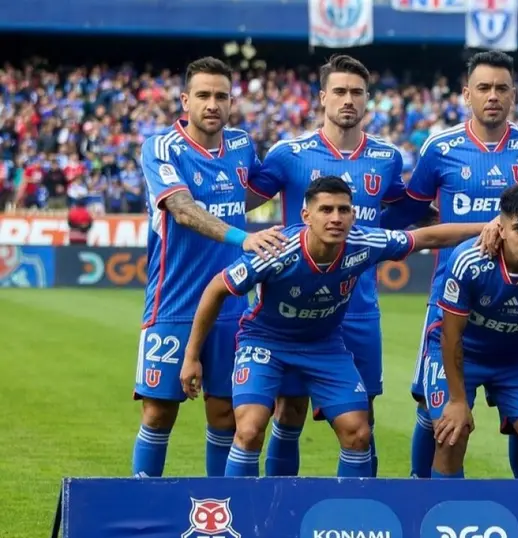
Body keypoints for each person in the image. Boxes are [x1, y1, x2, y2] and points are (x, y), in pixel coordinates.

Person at [180, 176, 490, 477]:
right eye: (326, 210)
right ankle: (241, 507)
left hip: (324, 346)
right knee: (249, 430)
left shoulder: (364, 242)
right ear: (306, 216)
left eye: (343, 210)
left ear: (353, 215)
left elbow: (428, 237)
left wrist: (490, 227)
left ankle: (351, 510)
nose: (336, 218)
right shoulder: (278, 250)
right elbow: (217, 288)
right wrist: (192, 357)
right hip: (265, 342)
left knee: (358, 433)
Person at [247, 54, 423, 478]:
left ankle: (360, 509)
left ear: (367, 99)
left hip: (359, 308)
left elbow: (402, 209)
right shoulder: (289, 154)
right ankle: (280, 504)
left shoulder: (386, 157)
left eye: (357, 92)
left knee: (363, 417)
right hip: (297, 308)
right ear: (323, 97)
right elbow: (242, 201)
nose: (348, 100)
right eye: (340, 91)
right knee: (289, 410)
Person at [130, 56, 288, 479]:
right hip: (174, 304)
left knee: (225, 414)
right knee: (158, 412)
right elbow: (182, 209)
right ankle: (141, 506)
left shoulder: (241, 145)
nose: (213, 104)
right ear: (186, 100)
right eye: (203, 95)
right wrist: (242, 238)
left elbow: (250, 193)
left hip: (232, 308)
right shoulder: (162, 148)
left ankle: (219, 506)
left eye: (221, 96)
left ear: (231, 101)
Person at [406, 50, 518, 480]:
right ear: (466, 94)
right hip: (451, 302)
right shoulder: (440, 148)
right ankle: (420, 492)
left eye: (502, 88)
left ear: (513, 95)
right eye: (483, 88)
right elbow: (412, 210)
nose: (493, 96)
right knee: (439, 420)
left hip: (515, 309)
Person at [427, 184, 518, 479]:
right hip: (464, 354)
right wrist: (457, 401)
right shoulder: (469, 260)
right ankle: (443, 507)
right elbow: (451, 335)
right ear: (502, 228)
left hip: (516, 359)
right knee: (451, 435)